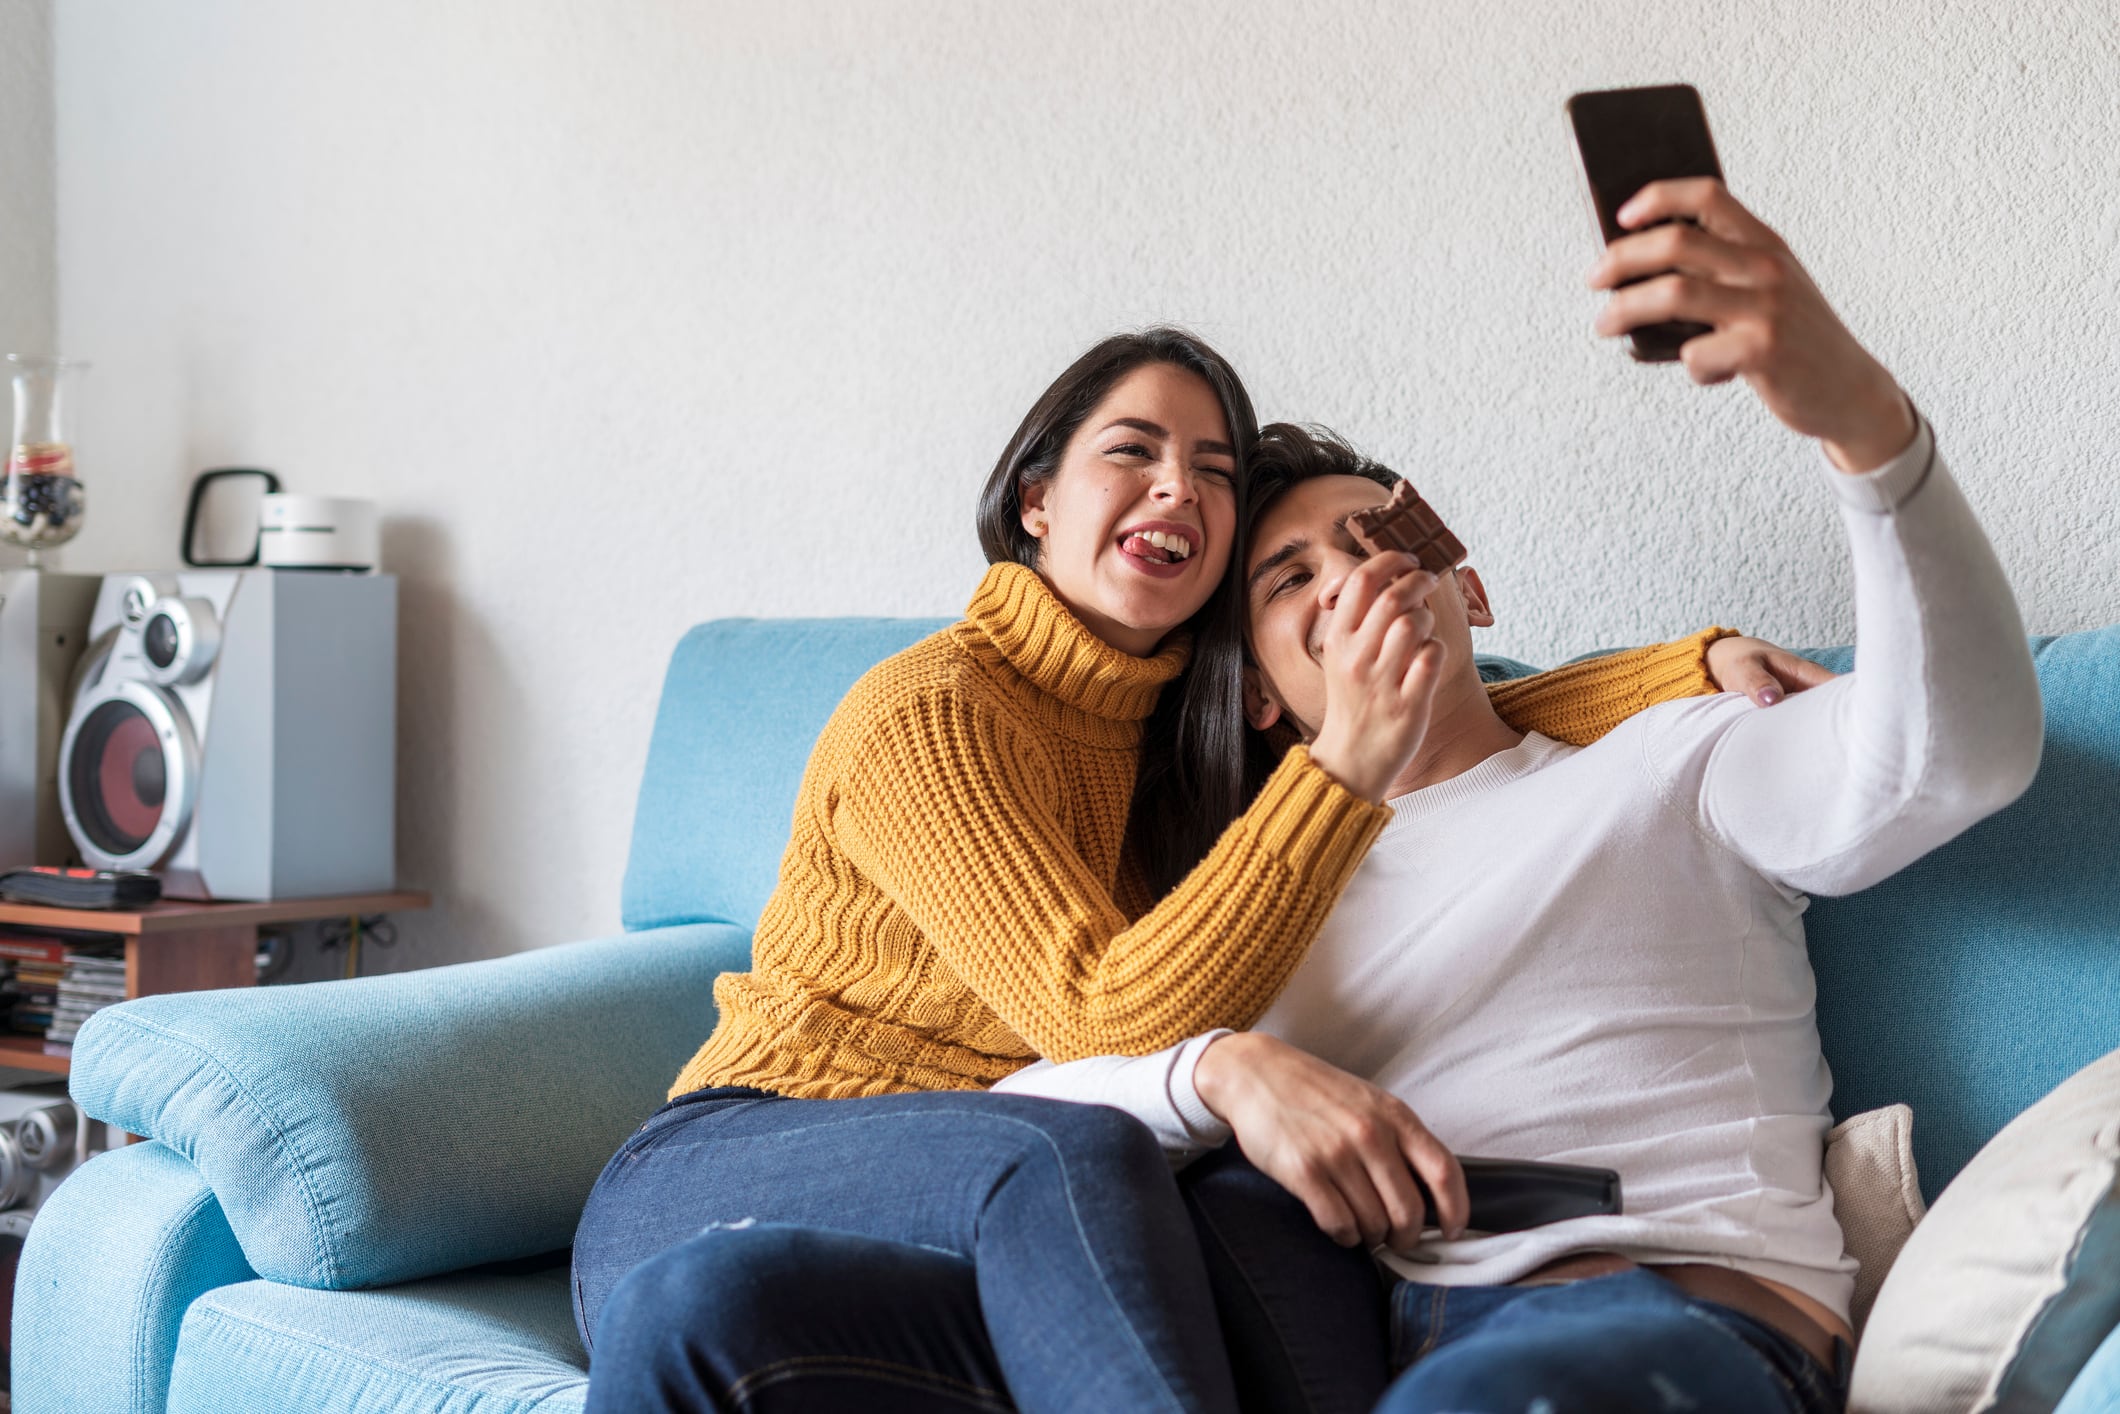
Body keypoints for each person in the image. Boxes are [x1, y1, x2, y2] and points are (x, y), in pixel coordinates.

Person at [570, 325, 1801, 1412]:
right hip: (757, 1151)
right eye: (1133, 450)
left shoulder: (1185, 743)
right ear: (1037, 499)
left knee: (1255, 1210)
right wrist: (1230, 1062)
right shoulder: (933, 712)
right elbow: (1096, 1017)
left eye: (1211, 470)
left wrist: (1672, 668)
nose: (1179, 487)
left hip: (978, 1215)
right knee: (1080, 1146)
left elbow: (1463, 708)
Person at [997, 178, 2044, 1414]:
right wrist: (1222, 1070)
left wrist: (1865, 431)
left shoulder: (1669, 764)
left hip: (1663, 1319)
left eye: (1377, 536)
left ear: (1467, 592)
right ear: (1264, 699)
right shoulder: (1245, 906)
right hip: (1358, 1346)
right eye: (1288, 579)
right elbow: (1026, 1102)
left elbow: (1952, 756)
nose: (1352, 576)